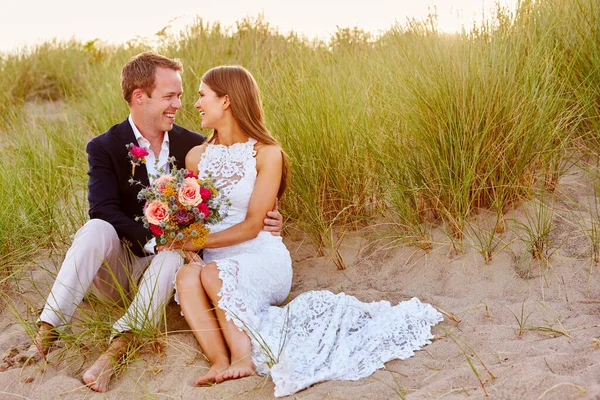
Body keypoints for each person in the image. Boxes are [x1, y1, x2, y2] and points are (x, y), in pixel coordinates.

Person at [1, 52, 282, 393]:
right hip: (121, 267)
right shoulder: (104, 146)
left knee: (172, 257)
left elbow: (231, 192)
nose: (179, 104)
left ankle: (119, 346)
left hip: (168, 268)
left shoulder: (194, 145)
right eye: (169, 96)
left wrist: (273, 218)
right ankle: (47, 330)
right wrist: (153, 239)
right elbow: (103, 209)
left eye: (181, 95)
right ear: (139, 97)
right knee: (95, 229)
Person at [171, 65, 444, 397]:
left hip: (259, 255)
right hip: (214, 255)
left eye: (202, 96)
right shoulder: (196, 156)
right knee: (187, 277)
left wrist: (196, 240)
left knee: (213, 274)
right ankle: (218, 361)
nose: (196, 104)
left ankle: (243, 358)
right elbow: (194, 217)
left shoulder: (267, 154)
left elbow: (254, 224)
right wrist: (184, 241)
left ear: (226, 100)